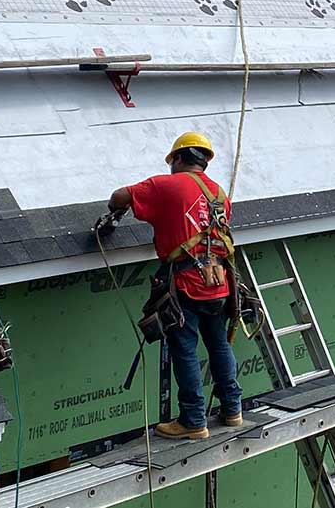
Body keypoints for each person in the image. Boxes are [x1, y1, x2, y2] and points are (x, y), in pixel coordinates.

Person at [102, 132, 242, 440]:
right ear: (204, 161)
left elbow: (119, 196)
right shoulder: (219, 194)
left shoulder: (165, 186)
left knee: (185, 350)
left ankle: (194, 421)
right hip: (218, 283)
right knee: (219, 345)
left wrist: (116, 211)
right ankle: (233, 410)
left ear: (179, 159)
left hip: (187, 283)